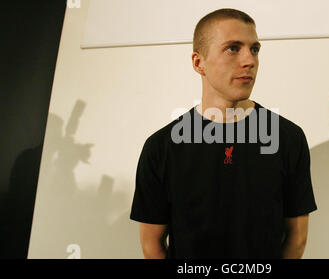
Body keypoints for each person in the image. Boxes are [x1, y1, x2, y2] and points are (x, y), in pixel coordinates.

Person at [130, 8, 317, 259]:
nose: (249, 60)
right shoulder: (161, 147)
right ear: (199, 63)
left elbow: (297, 239)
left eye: (254, 49)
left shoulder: (288, 139)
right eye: (233, 48)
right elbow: (151, 244)